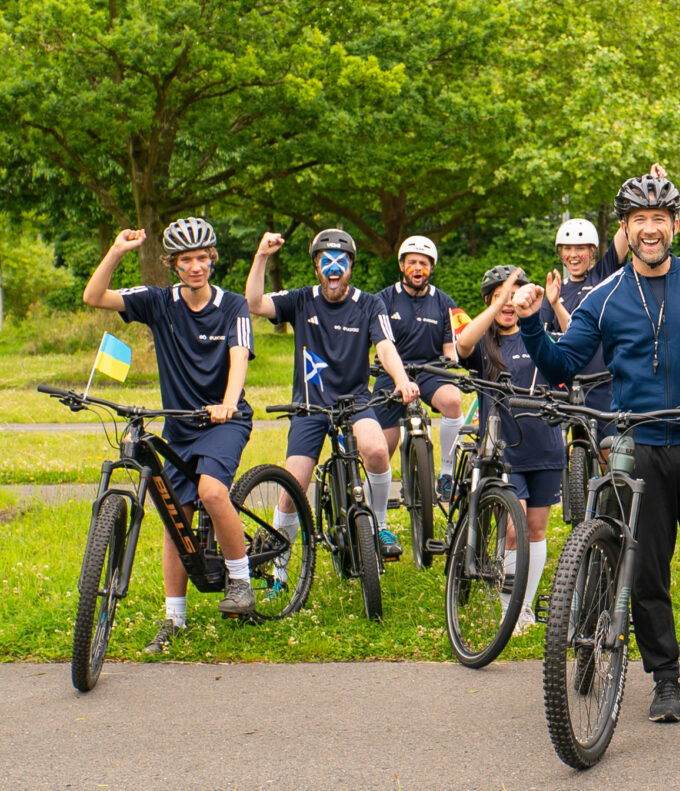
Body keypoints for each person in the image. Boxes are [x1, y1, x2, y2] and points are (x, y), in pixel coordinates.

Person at [507, 173, 680, 723]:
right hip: (636, 444)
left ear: (673, 225)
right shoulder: (605, 295)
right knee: (645, 568)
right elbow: (562, 364)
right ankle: (664, 679)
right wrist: (531, 325)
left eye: (659, 219)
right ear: (625, 228)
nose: (650, 229)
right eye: (639, 220)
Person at [82, 218, 256, 653]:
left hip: (223, 420)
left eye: (202, 258)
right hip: (179, 425)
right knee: (172, 513)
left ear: (211, 259)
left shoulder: (233, 305)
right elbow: (94, 296)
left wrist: (229, 401)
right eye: (185, 260)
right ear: (172, 264)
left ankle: (240, 581)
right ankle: (174, 620)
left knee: (213, 494)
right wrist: (117, 251)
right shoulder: (158, 301)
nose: (195, 267)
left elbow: (238, 359)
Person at [246, 229, 420, 567]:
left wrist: (401, 379)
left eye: (341, 262)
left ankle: (380, 526)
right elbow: (254, 303)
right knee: (293, 484)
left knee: (377, 451)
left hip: (354, 401)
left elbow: (385, 345)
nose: (334, 268)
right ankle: (280, 570)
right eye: (327, 262)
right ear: (316, 267)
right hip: (310, 405)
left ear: (351, 267)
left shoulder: (370, 304)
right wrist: (262, 256)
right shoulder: (300, 299)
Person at [457, 265, 562, 636]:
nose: (507, 302)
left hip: (547, 446)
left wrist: (550, 304)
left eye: (514, 293)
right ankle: (508, 608)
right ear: (489, 301)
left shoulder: (538, 335)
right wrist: (499, 301)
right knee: (514, 529)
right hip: (505, 450)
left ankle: (526, 607)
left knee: (536, 529)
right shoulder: (484, 345)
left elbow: (572, 346)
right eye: (499, 295)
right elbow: (463, 343)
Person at [373, 235, 466, 503]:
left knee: (452, 401)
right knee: (381, 448)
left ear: (431, 268)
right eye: (412, 262)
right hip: (390, 374)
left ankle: (447, 474)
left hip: (429, 371)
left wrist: (454, 363)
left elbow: (450, 349)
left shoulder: (444, 301)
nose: (417, 268)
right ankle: (375, 513)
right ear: (402, 265)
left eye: (423, 263)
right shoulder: (383, 299)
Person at [542, 217, 623, 442]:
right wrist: (554, 301)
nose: (573, 254)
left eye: (580, 248)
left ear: (592, 251)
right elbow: (544, 338)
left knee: (607, 448)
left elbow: (626, 233)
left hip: (601, 381)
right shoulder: (555, 289)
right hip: (565, 383)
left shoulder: (603, 276)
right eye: (567, 249)